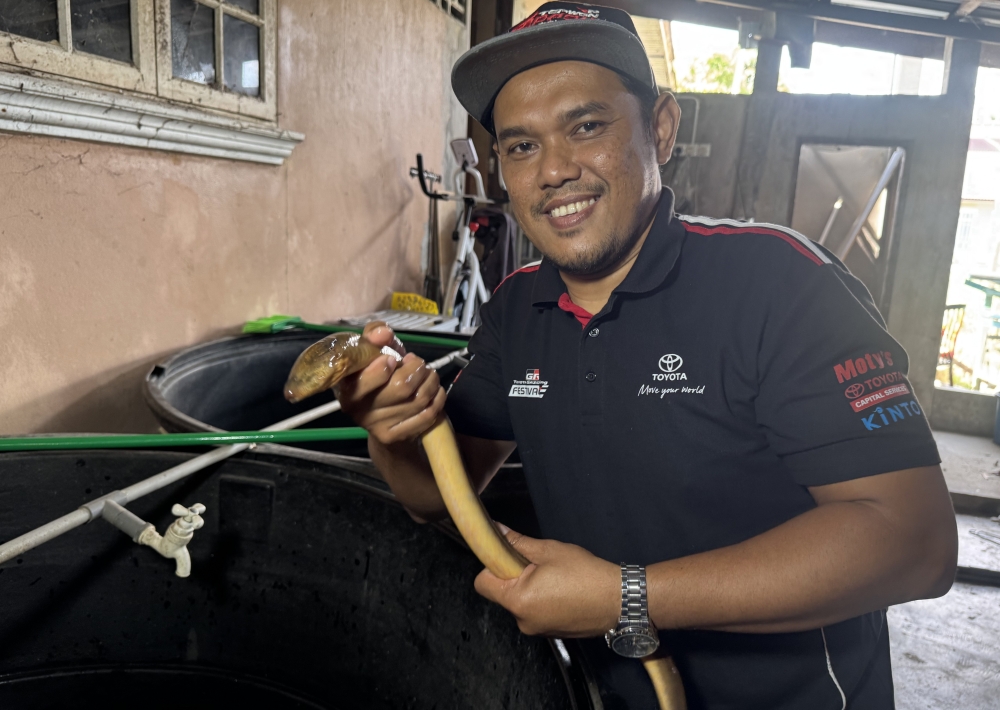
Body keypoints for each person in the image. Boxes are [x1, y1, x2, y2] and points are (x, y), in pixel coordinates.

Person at [337, 4, 958, 707]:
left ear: (660, 128)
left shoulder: (780, 283)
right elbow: (431, 495)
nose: (554, 171)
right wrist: (390, 429)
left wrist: (627, 596)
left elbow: (916, 544)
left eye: (586, 127)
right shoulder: (517, 309)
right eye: (522, 146)